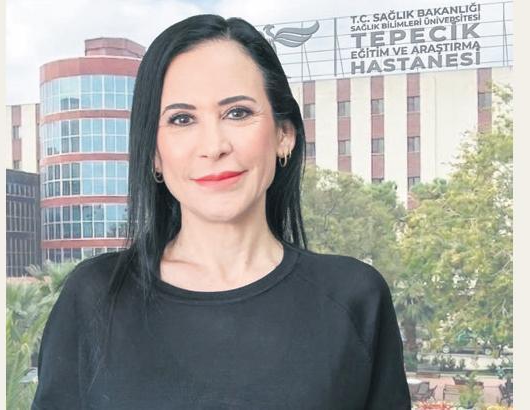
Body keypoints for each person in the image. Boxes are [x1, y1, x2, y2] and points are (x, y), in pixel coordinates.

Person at [32, 14, 410, 409]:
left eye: (238, 113)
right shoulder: (94, 298)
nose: (214, 146)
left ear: (284, 135)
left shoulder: (354, 298)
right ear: (154, 154)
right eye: (182, 119)